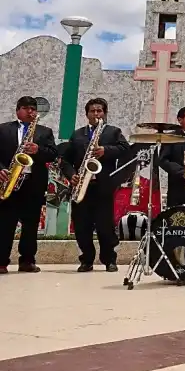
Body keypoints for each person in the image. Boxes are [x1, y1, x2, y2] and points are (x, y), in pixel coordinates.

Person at [60, 98, 130, 273]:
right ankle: (86, 260)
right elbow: (66, 161)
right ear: (87, 114)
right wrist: (72, 175)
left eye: (99, 111)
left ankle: (109, 260)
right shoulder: (77, 134)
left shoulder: (113, 132)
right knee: (82, 226)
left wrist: (106, 150)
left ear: (104, 114)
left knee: (104, 226)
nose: (96, 114)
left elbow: (125, 149)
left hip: (102, 187)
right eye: (93, 111)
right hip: (81, 186)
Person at [0, 96, 58, 274]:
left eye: (33, 109)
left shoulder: (44, 131)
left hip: (33, 184)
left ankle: (27, 261)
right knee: (4, 224)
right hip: (9, 180)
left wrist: (38, 150)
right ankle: (1, 262)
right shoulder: (3, 129)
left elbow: (53, 154)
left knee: (31, 225)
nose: (30, 112)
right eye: (26, 108)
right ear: (18, 110)